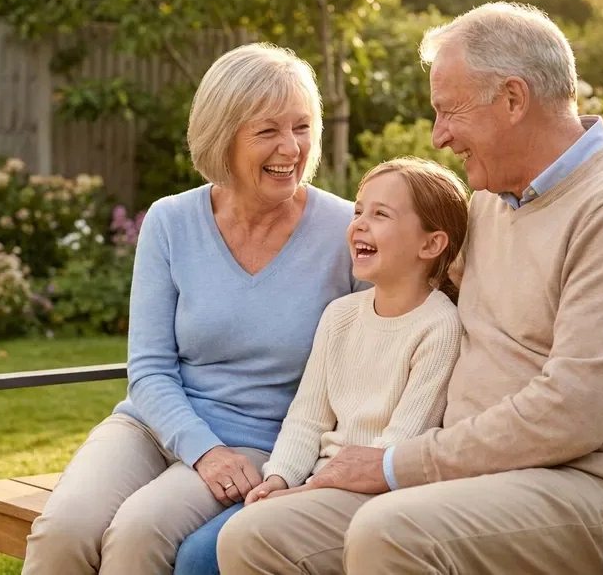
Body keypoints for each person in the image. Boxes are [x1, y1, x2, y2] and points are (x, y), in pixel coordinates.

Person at [216, 1, 603, 575]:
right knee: (256, 536)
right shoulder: (493, 202)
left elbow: (573, 414)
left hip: (597, 490)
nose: (439, 135)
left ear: (514, 99)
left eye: (449, 112)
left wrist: (397, 464)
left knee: (391, 532)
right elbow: (410, 290)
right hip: (473, 480)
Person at [20, 42, 365, 575]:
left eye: (301, 127)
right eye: (267, 131)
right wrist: (202, 449)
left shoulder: (346, 232)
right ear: (222, 137)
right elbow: (150, 368)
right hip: (151, 428)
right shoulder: (171, 221)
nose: (291, 147)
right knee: (62, 530)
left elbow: (376, 353)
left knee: (137, 535)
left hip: (258, 443)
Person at [174, 157, 469, 575]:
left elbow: (398, 446)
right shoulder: (340, 315)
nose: (359, 225)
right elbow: (306, 420)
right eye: (359, 211)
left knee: (232, 543)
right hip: (315, 483)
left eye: (380, 214)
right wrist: (277, 479)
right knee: (196, 556)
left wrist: (304, 492)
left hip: (373, 495)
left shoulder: (439, 327)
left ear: (431, 244)